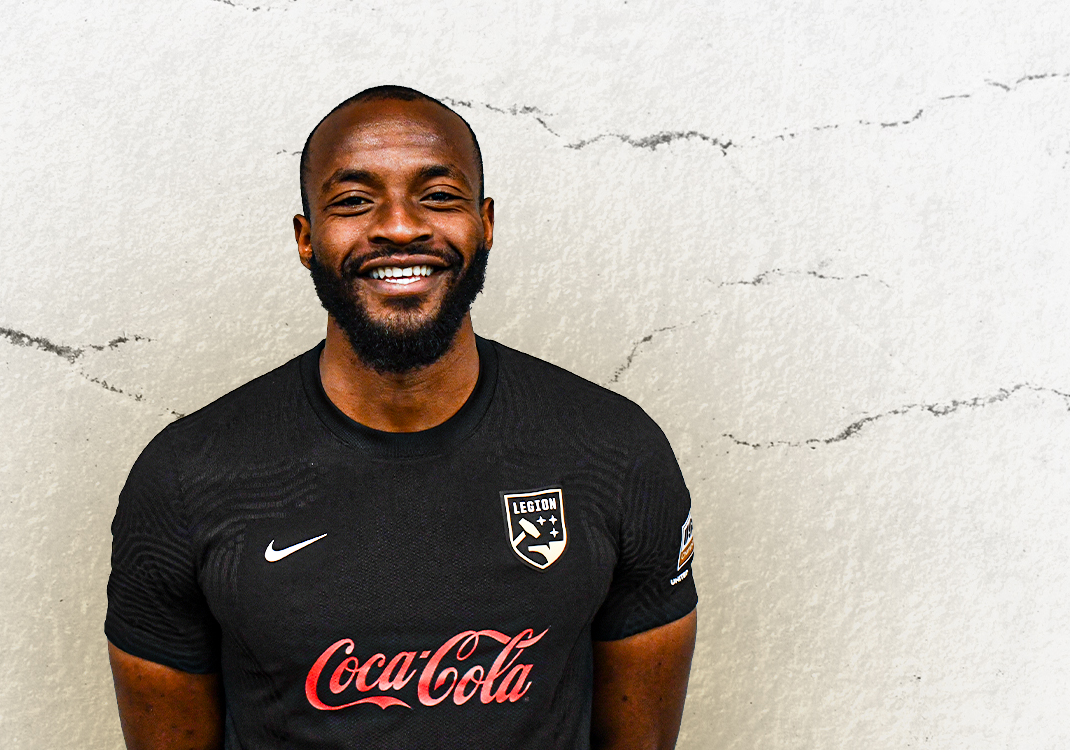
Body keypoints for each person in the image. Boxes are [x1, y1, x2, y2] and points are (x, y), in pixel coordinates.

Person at [105, 85, 698, 750]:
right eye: (354, 201)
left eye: (438, 196)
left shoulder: (616, 454)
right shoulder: (185, 479)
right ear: (306, 238)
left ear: (486, 223)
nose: (398, 226)